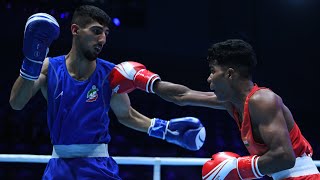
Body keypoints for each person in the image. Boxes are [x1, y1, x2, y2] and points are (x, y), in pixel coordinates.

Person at [9, 5, 206, 179]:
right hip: (58, 166)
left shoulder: (110, 74)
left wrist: (165, 130)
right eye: (96, 31)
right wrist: (31, 63)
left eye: (106, 33)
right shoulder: (48, 68)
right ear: (75, 30)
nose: (102, 39)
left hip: (98, 167)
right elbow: (16, 103)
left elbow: (126, 114)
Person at [114, 39, 320, 179]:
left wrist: (238, 169)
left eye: (213, 72)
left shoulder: (263, 100)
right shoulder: (233, 102)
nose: (209, 78)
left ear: (230, 74)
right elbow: (182, 96)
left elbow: (285, 157)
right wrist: (146, 81)